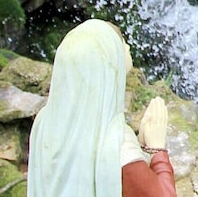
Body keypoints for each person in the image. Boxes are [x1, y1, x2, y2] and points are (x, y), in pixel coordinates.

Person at [28, 19, 179, 197]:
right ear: (109, 65)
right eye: (121, 42)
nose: (128, 46)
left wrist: (140, 145)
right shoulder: (118, 145)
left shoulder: (44, 122)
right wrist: (156, 150)